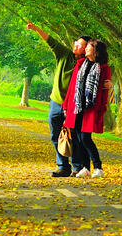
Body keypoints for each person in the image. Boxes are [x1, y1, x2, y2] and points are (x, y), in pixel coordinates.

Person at [26, 22, 90, 177]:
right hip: (56, 101)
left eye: (80, 45)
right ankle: (63, 166)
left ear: (87, 49)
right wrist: (36, 29)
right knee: (56, 135)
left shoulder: (88, 65)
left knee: (73, 135)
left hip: (74, 104)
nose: (75, 45)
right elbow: (50, 40)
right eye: (76, 42)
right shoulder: (64, 55)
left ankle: (77, 167)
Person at [63, 39, 111, 178]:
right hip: (77, 107)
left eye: (89, 47)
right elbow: (72, 87)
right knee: (78, 138)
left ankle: (98, 167)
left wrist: (102, 107)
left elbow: (105, 90)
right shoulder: (81, 64)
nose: (86, 49)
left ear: (95, 50)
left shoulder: (103, 68)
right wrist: (66, 105)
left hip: (91, 107)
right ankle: (86, 168)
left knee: (85, 138)